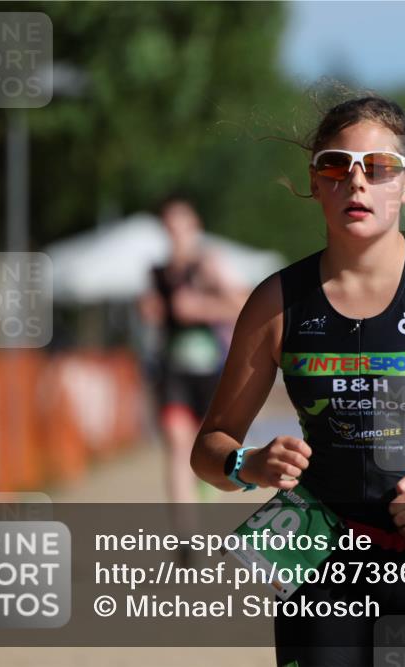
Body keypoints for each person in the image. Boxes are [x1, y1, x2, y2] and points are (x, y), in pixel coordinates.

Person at [191, 96, 405, 666]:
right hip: (317, 556)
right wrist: (248, 465)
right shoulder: (275, 303)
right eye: (336, 165)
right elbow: (210, 448)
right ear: (315, 181)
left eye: (379, 168)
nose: (356, 182)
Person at [139, 197, 247, 556]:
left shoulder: (210, 264)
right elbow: (153, 316)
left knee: (209, 452)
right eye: (170, 229)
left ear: (195, 230)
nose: (176, 236)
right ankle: (185, 536)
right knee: (175, 441)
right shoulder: (156, 273)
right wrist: (150, 312)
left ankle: (204, 490)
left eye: (183, 228)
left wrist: (202, 306)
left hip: (213, 371)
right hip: (173, 371)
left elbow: (243, 306)